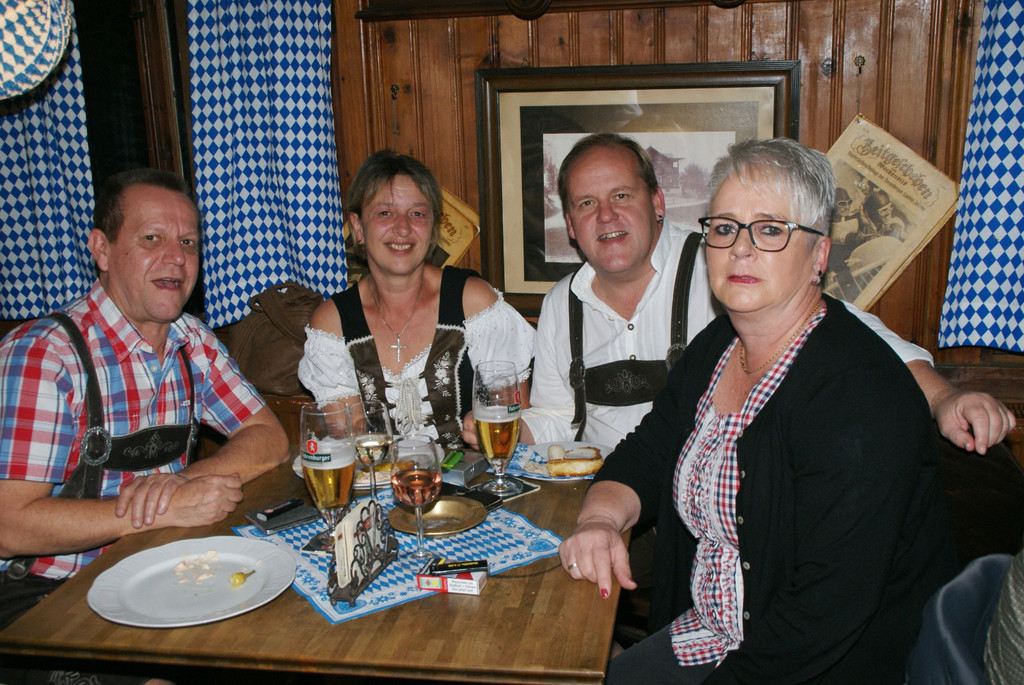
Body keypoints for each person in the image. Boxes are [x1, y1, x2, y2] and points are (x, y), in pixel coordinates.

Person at [560, 138, 958, 683]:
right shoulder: (716, 347)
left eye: (770, 230)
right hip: (707, 637)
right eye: (725, 228)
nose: (740, 250)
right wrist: (599, 520)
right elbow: (649, 452)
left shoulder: (860, 396)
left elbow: (824, 613)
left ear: (819, 256)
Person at [468, 133, 1013, 455]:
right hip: (611, 493)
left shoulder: (721, 259)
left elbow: (850, 333)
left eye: (621, 196)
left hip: (707, 504)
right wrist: (506, 429)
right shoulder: (562, 303)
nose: (605, 216)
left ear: (657, 202)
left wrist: (943, 398)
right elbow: (558, 417)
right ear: (570, 223)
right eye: (586, 204)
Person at [0, 169, 290, 681]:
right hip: (46, 600)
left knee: (283, 639)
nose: (176, 258)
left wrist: (180, 484)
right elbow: (8, 526)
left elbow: (270, 439)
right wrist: (154, 512)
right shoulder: (43, 356)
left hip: (161, 576)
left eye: (188, 242)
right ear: (102, 249)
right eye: (152, 239)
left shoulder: (192, 341)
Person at [298, 150, 534, 449]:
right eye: (385, 213)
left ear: (433, 227)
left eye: (418, 214)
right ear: (358, 227)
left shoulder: (474, 303)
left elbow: (517, 419)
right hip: (378, 478)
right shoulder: (332, 323)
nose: (403, 228)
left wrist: (491, 427)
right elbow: (348, 439)